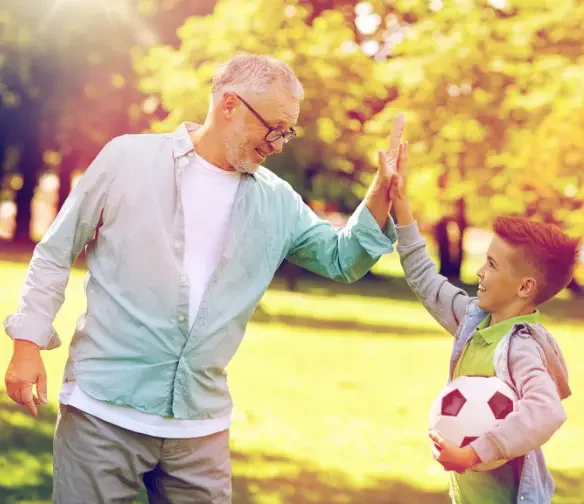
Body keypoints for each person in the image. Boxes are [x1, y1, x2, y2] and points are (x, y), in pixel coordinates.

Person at [4, 54, 404, 503]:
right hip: (102, 410)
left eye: (287, 132)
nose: (278, 144)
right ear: (229, 105)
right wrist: (27, 342)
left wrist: (380, 193)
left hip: (200, 428)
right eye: (273, 128)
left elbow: (340, 259)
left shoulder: (277, 200)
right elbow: (57, 250)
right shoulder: (126, 159)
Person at [384, 141, 576, 503]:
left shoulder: (521, 349)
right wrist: (402, 209)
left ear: (525, 287)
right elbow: (426, 281)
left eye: (492, 264)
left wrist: (474, 453)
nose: (479, 271)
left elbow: (547, 410)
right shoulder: (474, 321)